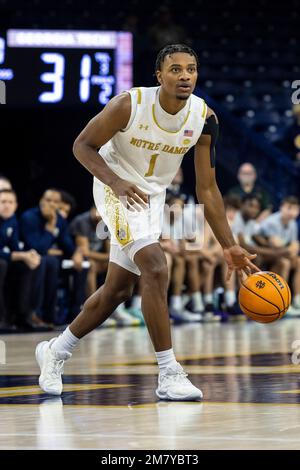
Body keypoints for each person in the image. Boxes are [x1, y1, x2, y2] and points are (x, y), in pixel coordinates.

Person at [35, 44, 259, 401]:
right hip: (115, 188)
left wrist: (229, 245)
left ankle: (55, 351)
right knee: (156, 266)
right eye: (175, 69)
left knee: (118, 291)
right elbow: (82, 146)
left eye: (191, 69)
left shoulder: (204, 117)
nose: (184, 75)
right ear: (159, 76)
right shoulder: (129, 104)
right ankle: (169, 372)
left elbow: (208, 188)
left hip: (152, 198)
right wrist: (115, 182)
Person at [20, 189, 85, 327]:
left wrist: (78, 252)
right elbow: (38, 248)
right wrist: (50, 227)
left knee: (83, 264)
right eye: (48, 200)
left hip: (49, 260)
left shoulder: (59, 220)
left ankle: (75, 314)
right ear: (41, 201)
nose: (51, 204)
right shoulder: (29, 217)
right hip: (27, 260)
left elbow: (67, 245)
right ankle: (35, 313)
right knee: (47, 261)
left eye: (56, 202)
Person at [0, 189, 41, 330]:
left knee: (26, 266)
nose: (7, 205)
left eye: (10, 202)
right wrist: (21, 255)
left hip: (5, 260)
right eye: (3, 202)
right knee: (2, 264)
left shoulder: (12, 220)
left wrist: (29, 255)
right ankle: (2, 318)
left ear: (16, 205)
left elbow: (15, 247)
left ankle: (23, 317)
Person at [253, 196, 300, 316]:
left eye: (295, 209)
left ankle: (297, 299)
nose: (292, 212)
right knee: (285, 262)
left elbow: (295, 245)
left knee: (298, 261)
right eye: (289, 208)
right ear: (282, 207)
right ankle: (282, 301)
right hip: (263, 255)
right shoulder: (272, 221)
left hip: (280, 254)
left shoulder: (293, 223)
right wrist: (290, 250)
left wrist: (292, 250)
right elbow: (275, 245)